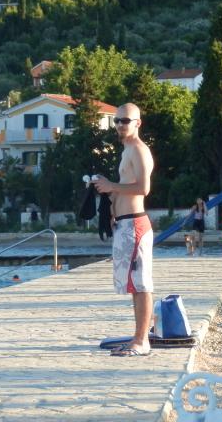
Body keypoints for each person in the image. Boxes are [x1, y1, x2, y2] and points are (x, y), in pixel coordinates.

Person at [94, 103, 154, 357]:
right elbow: (125, 186)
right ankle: (139, 336)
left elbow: (143, 188)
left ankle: (142, 341)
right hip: (125, 223)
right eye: (117, 120)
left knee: (141, 284)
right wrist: (110, 203)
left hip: (135, 223)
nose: (120, 124)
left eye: (125, 120)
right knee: (133, 284)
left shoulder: (139, 149)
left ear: (137, 123)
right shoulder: (127, 150)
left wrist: (112, 186)